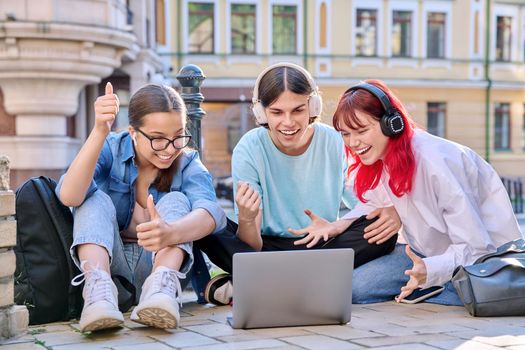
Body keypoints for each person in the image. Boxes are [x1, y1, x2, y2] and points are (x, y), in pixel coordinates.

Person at [300, 79, 523, 305]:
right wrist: (338, 225)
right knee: (354, 289)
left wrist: (430, 270)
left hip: (485, 262)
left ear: (391, 123)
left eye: (361, 131)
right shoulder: (383, 156)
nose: (353, 143)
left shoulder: (436, 162)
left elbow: (476, 248)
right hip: (422, 254)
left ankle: (437, 287)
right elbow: (374, 202)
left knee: (462, 294)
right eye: (345, 134)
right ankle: (432, 286)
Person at [196, 63, 400, 305]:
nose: (288, 122)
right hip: (267, 249)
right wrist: (248, 219)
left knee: (381, 230)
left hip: (321, 244)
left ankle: (261, 284)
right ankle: (307, 283)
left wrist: (385, 213)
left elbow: (364, 205)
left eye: (298, 110)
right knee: (206, 227)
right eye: (277, 112)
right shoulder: (249, 149)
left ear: (313, 107)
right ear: (261, 113)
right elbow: (251, 246)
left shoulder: (336, 142)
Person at [57, 83, 226, 331]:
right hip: (110, 268)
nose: (170, 149)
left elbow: (213, 213)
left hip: (162, 270)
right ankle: (98, 296)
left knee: (176, 199)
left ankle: (159, 293)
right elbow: (69, 196)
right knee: (92, 198)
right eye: (158, 139)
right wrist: (99, 131)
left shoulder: (187, 161)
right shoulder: (112, 148)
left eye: (178, 136)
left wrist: (172, 232)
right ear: (133, 132)